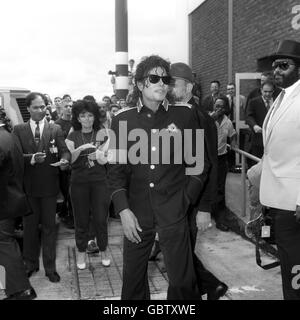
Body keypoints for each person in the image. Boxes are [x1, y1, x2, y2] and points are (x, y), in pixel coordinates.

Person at [107, 55, 209, 300]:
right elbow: (116, 171)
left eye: (166, 79)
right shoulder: (122, 119)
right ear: (140, 84)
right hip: (137, 214)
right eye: (154, 78)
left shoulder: (185, 116)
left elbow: (199, 165)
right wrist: (123, 210)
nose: (162, 83)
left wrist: (185, 201)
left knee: (183, 284)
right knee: (132, 285)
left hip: (174, 211)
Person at [13, 92, 70, 283]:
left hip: (49, 187)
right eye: (36, 107)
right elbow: (14, 157)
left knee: (49, 229)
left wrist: (65, 160)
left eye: (43, 107)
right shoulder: (18, 130)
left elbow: (64, 150)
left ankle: (50, 268)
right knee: (29, 229)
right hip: (28, 189)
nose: (40, 110)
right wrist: (31, 159)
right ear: (28, 108)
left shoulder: (55, 129)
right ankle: (30, 264)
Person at [260, 39, 300, 300]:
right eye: (274, 66)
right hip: (281, 200)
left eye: (284, 65)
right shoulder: (280, 97)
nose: (276, 70)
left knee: (295, 267)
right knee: (289, 264)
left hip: (295, 202)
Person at [65, 99, 110, 269]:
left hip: (100, 181)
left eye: (90, 115)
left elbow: (108, 159)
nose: (87, 119)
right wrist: (80, 149)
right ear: (77, 118)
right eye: (83, 116)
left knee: (100, 219)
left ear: (95, 116)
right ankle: (81, 252)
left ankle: (104, 249)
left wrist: (100, 156)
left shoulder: (103, 133)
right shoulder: (72, 135)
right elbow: (70, 159)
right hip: (78, 183)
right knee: (81, 220)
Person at [0, 107, 36, 300]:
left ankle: (21, 290)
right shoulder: (7, 135)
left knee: (4, 245)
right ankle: (9, 287)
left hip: (4, 202)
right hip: (10, 199)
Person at [209, 97, 237, 231]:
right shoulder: (207, 118)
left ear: (225, 108)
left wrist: (233, 145)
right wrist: (211, 119)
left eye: (220, 106)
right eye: (216, 105)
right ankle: (207, 212)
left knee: (220, 188)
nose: (218, 108)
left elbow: (233, 136)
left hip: (221, 159)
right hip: (208, 158)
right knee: (208, 186)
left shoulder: (228, 122)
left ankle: (220, 219)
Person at [246, 80, 275, 162]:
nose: (267, 94)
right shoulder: (253, 102)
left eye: (270, 92)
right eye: (265, 91)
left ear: (273, 91)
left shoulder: (277, 102)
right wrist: (254, 125)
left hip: (273, 139)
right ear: (261, 90)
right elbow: (248, 116)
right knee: (257, 162)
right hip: (258, 139)